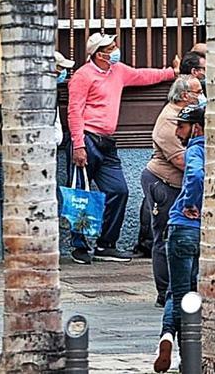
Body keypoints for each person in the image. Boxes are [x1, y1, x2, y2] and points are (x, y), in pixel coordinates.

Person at [67, 32, 178, 264]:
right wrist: (78, 145)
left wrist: (172, 72)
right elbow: (74, 111)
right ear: (99, 54)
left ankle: (106, 244)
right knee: (81, 195)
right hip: (87, 138)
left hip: (107, 142)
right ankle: (78, 246)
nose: (116, 49)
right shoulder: (82, 76)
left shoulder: (118, 71)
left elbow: (142, 76)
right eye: (111, 47)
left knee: (119, 191)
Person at [139, 76, 201, 307]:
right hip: (163, 183)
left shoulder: (187, 116)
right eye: (198, 91)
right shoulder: (170, 121)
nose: (201, 95)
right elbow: (184, 163)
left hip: (178, 185)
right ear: (185, 95)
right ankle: (165, 292)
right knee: (164, 237)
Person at [153, 104, 206, 373]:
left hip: (182, 227)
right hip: (202, 233)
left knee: (177, 290)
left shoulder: (196, 149)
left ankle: (167, 336)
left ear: (196, 127)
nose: (177, 131)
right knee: (192, 291)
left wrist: (189, 202)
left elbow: (195, 175)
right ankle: (188, 354)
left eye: (182, 126)